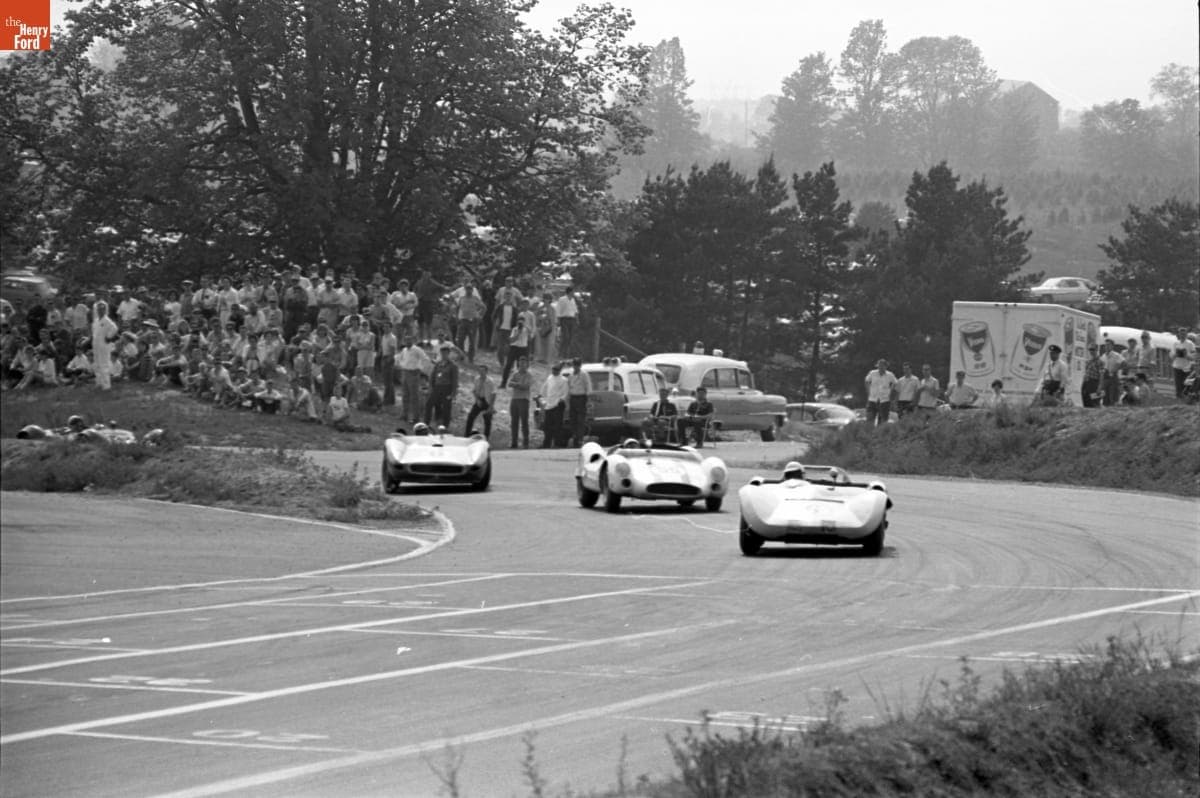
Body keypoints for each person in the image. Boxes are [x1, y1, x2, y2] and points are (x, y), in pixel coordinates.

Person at [425, 343, 459, 428]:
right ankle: (426, 423)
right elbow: (432, 376)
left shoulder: (453, 365)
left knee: (446, 408)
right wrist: (430, 387)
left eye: (445, 353)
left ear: (448, 353)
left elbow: (455, 380)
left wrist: (453, 393)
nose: (443, 355)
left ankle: (445, 426)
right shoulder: (438, 364)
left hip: (447, 388)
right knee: (429, 404)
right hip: (437, 387)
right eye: (442, 353)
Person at [538, 361, 568, 448]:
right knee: (547, 426)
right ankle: (546, 444)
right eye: (553, 369)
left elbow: (565, 392)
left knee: (557, 426)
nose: (554, 371)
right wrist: (540, 395)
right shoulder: (550, 377)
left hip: (558, 405)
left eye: (556, 370)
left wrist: (561, 400)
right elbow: (545, 387)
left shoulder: (563, 380)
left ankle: (557, 443)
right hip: (549, 405)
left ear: (559, 370)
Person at [91, 300, 119, 391]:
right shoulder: (95, 321)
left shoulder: (107, 320)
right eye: (99, 308)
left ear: (105, 309)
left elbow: (115, 328)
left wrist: (108, 337)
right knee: (97, 364)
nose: (100, 310)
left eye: (102, 308)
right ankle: (99, 382)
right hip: (96, 345)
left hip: (104, 345)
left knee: (104, 364)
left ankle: (106, 385)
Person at [500, 308, 532, 388]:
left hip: (523, 349)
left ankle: (521, 383)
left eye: (522, 321)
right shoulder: (514, 329)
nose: (520, 323)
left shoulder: (527, 329)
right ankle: (503, 383)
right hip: (514, 348)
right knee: (508, 365)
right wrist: (518, 333)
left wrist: (527, 330)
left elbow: (530, 339)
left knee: (521, 366)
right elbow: (511, 340)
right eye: (519, 321)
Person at [464, 363, 497, 439]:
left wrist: (491, 406)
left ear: (486, 372)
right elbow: (474, 391)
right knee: (471, 417)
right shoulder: (477, 379)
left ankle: (486, 438)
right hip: (479, 400)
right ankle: (466, 435)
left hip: (487, 401)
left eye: (483, 371)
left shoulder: (490, 381)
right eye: (480, 370)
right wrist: (477, 400)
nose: (481, 372)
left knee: (487, 420)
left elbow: (494, 393)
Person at [508, 356, 533, 449]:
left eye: (524, 363)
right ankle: (514, 442)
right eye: (520, 363)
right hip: (514, 399)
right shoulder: (515, 374)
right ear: (518, 363)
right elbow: (509, 383)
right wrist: (518, 384)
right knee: (514, 422)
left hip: (524, 400)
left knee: (524, 422)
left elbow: (525, 387)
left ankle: (525, 443)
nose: (522, 365)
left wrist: (516, 384)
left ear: (527, 364)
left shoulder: (529, 375)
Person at [863, 359, 897, 426]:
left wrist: (891, 391)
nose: (880, 367)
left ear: (886, 366)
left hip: (885, 400)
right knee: (869, 420)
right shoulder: (872, 373)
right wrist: (868, 391)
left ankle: (880, 431)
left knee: (883, 421)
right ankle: (869, 432)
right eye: (879, 365)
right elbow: (866, 381)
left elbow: (895, 383)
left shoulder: (890, 375)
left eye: (882, 366)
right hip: (872, 399)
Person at [565, 357, 590, 447]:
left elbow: (588, 386)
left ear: (580, 365)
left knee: (580, 420)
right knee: (573, 419)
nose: (576, 366)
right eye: (574, 365)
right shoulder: (571, 375)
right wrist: (567, 400)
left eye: (577, 365)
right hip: (573, 398)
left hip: (581, 397)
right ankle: (575, 437)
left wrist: (587, 398)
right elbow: (568, 387)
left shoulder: (584, 374)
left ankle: (580, 439)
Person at [1170, 328, 1195, 399]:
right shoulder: (1175, 344)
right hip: (1177, 367)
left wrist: (1186, 354)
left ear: (1186, 334)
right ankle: (1178, 400)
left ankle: (1186, 400)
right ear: (1179, 334)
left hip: (1187, 368)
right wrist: (1176, 353)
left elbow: (1193, 357)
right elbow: (1171, 356)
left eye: (1184, 334)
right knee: (1178, 386)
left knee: (1186, 385)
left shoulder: (1190, 344)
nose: (1182, 335)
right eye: (1181, 334)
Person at [555, 286, 579, 357]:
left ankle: (567, 354)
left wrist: (577, 319)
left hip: (572, 319)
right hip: (564, 319)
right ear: (570, 292)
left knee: (571, 337)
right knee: (566, 336)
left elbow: (575, 310)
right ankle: (560, 353)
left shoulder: (573, 300)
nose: (574, 293)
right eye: (573, 291)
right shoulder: (562, 299)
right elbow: (558, 309)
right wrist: (558, 319)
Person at [1099, 339, 1124, 406]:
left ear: (1112, 346)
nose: (1107, 346)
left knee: (1113, 396)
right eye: (1105, 345)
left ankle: (1113, 407)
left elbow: (1124, 363)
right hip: (1105, 378)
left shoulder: (1116, 355)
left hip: (1113, 377)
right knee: (1105, 396)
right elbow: (1101, 367)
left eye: (1108, 345)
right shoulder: (1103, 356)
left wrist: (1115, 369)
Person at [1081, 342, 1103, 408]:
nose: (1091, 351)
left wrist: (1099, 387)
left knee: (1094, 403)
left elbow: (1101, 375)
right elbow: (1086, 372)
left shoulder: (1100, 361)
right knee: (1085, 402)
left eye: (1093, 349)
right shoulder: (1088, 361)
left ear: (1097, 350)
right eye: (1090, 349)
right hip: (1086, 383)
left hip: (1094, 384)